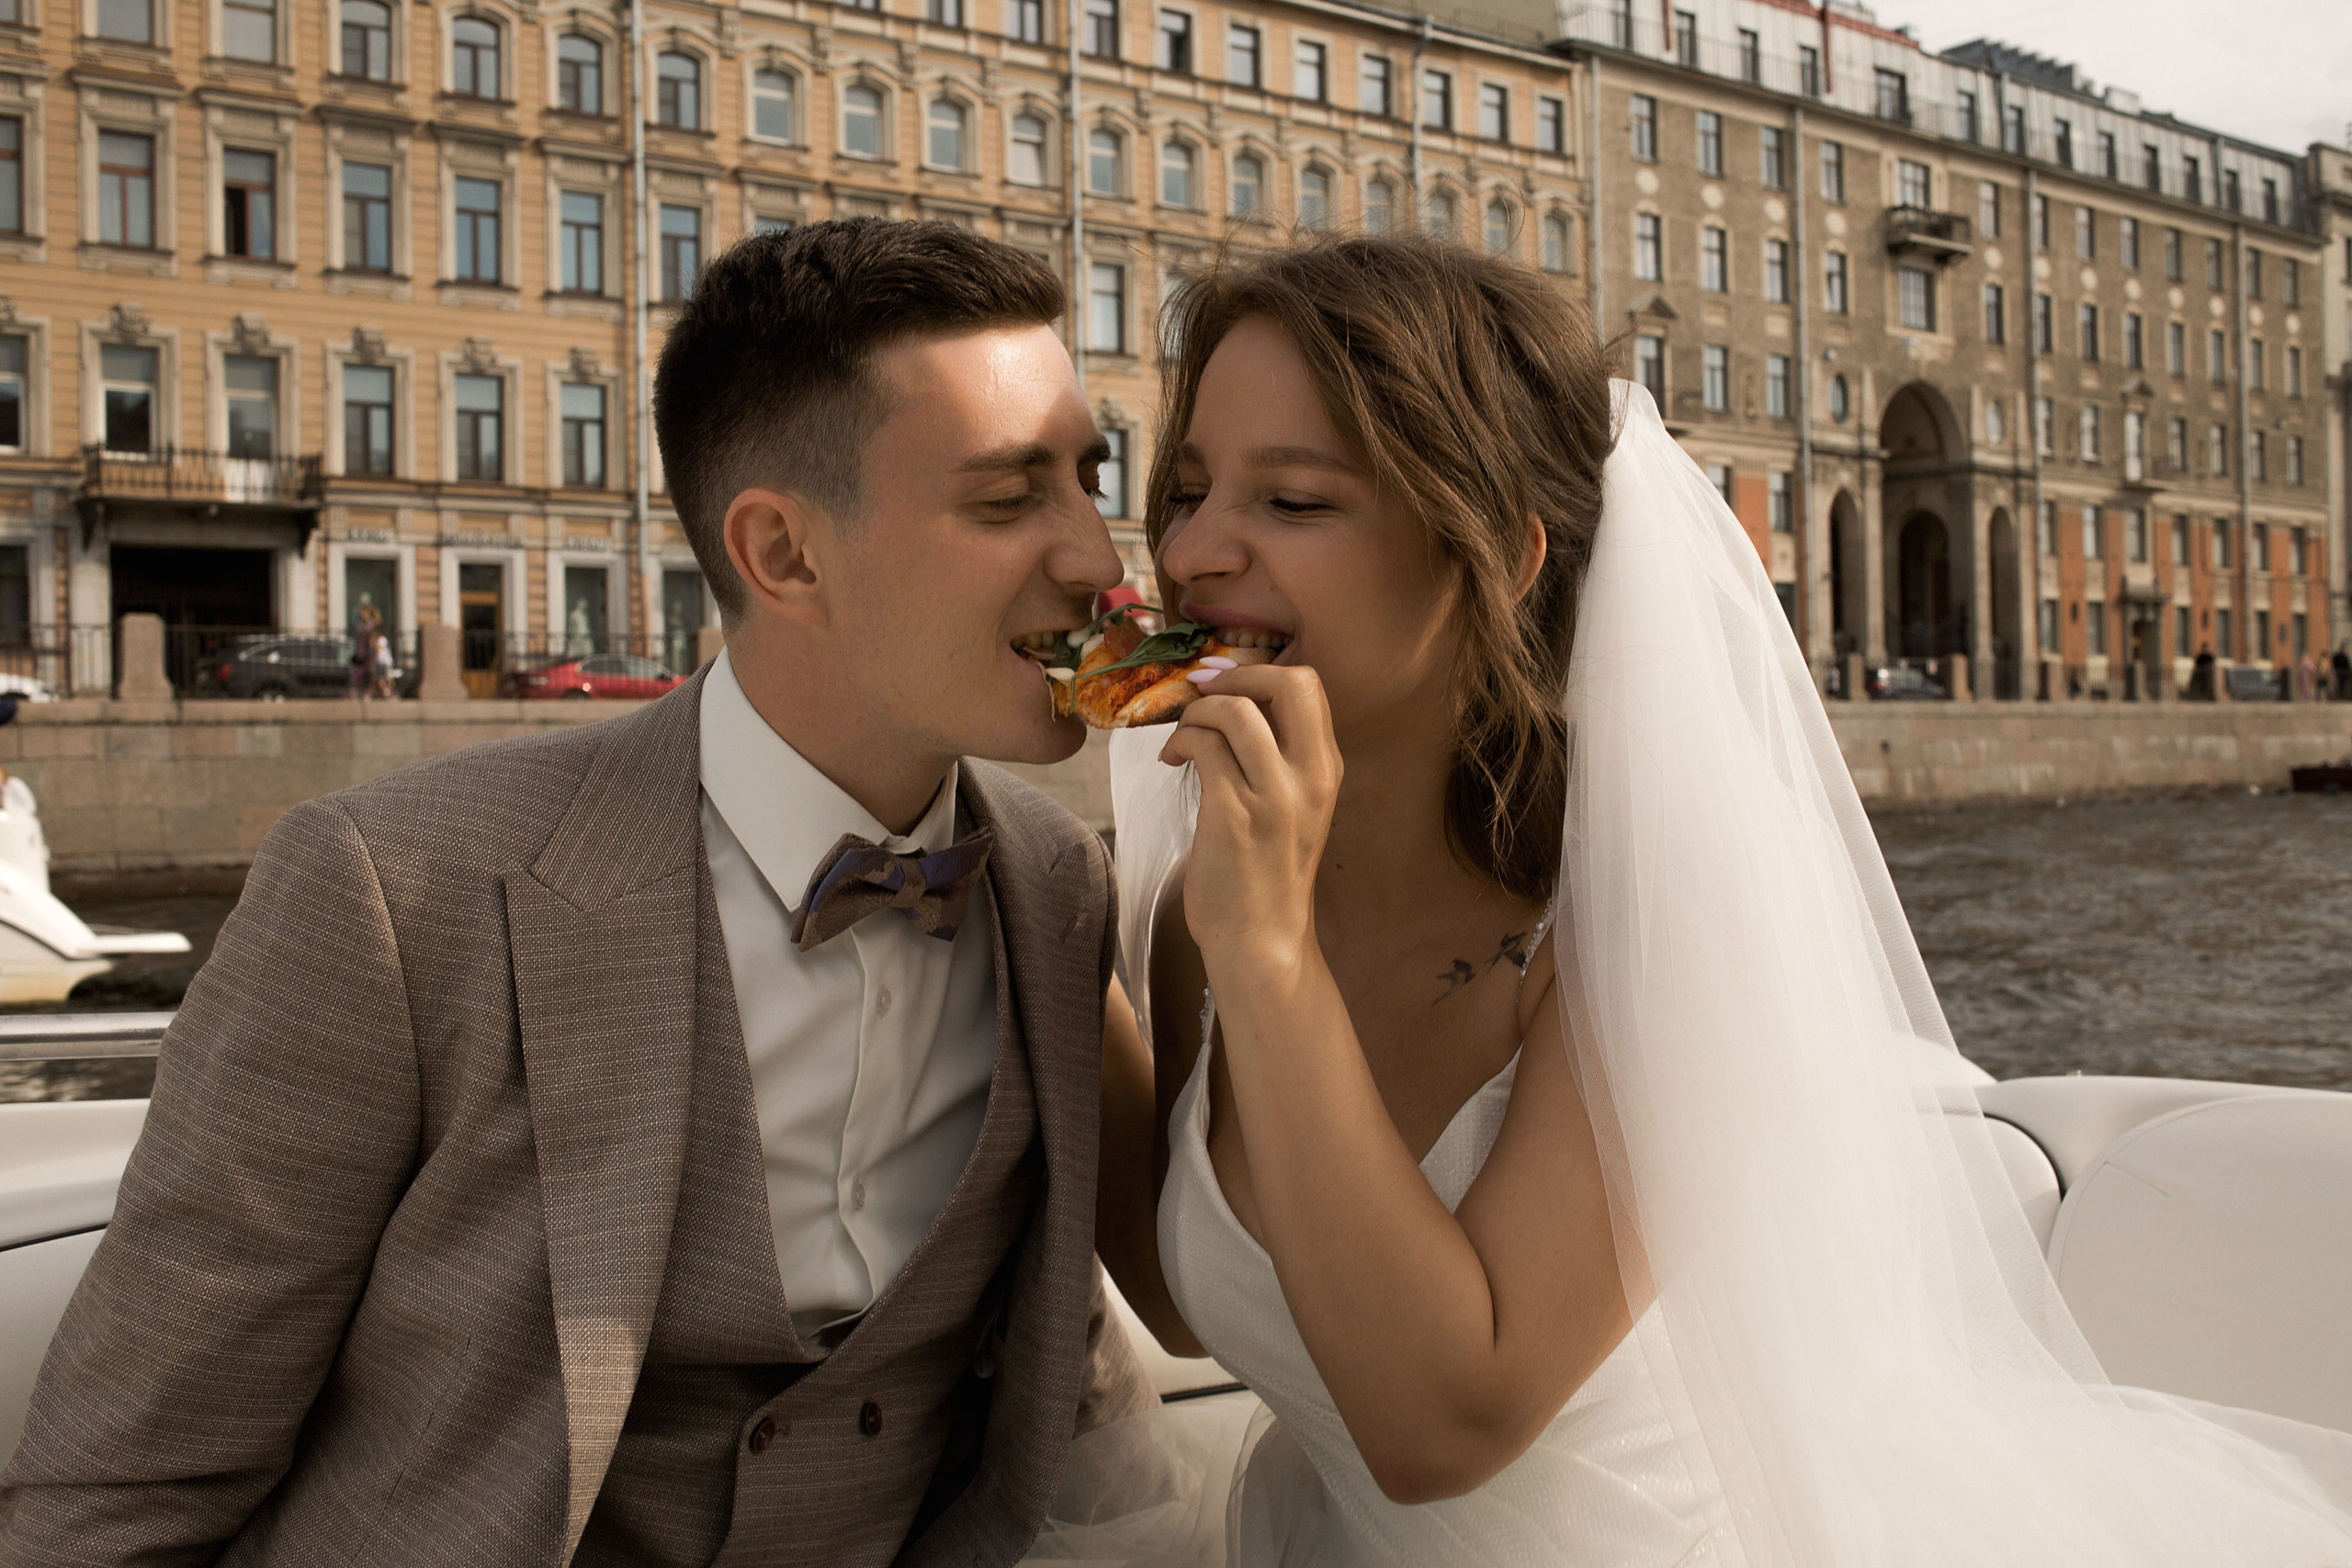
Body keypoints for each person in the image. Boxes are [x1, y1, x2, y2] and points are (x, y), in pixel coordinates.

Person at [1043, 235, 2352, 1566]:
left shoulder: (1660, 935)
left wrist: (1269, 960)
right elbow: (1207, 1297)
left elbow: (1442, 1424)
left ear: (1499, 554)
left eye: (1295, 503)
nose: (1195, 552)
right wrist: (1046, 949)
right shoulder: (1215, 909)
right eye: (1191, 487)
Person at [0, 220, 1153, 1564]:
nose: (1102, 563)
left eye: (1092, 478)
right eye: (1012, 499)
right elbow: (127, 1486)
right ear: (783, 555)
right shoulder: (393, 896)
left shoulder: (1061, 887)